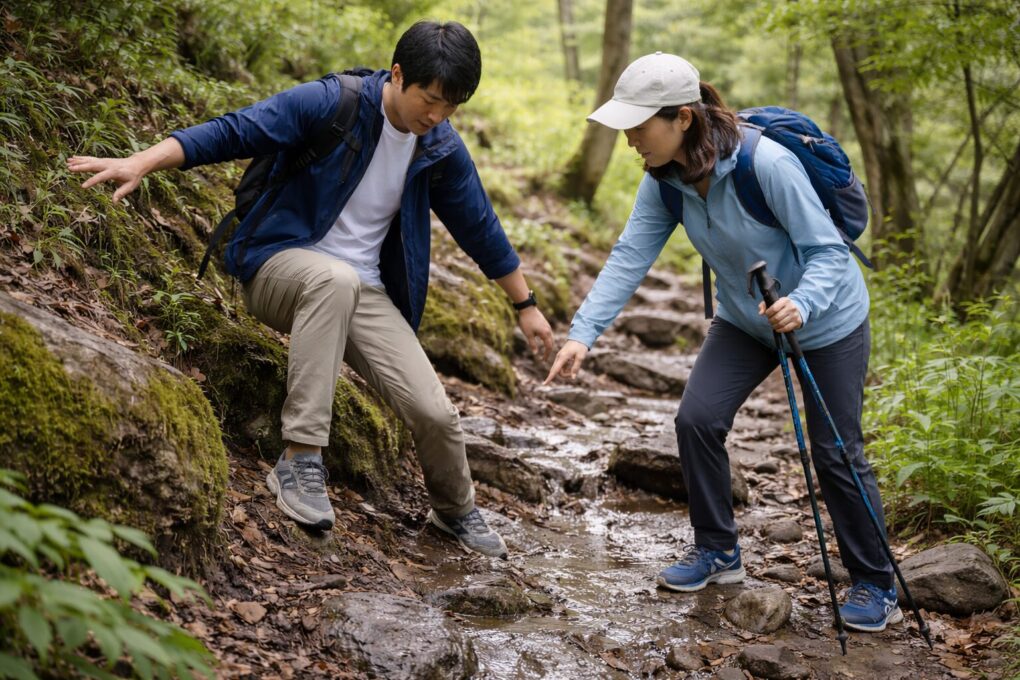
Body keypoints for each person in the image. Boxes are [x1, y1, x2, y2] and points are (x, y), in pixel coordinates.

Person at [69, 20, 554, 559]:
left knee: (436, 413)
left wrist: (525, 305)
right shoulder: (333, 103)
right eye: (431, 99)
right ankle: (299, 460)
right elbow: (237, 129)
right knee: (333, 279)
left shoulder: (437, 146)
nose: (437, 116)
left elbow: (480, 227)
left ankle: (454, 508)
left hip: (361, 293)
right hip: (278, 267)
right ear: (398, 74)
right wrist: (141, 161)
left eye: (452, 106)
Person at [544, 52, 900, 632]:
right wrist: (583, 334)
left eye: (639, 126)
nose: (631, 139)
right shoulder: (665, 182)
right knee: (697, 419)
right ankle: (718, 551)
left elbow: (829, 252)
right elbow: (630, 257)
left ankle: (875, 583)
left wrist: (802, 303)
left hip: (827, 321)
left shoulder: (769, 166)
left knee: (835, 452)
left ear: (683, 118)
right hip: (745, 320)